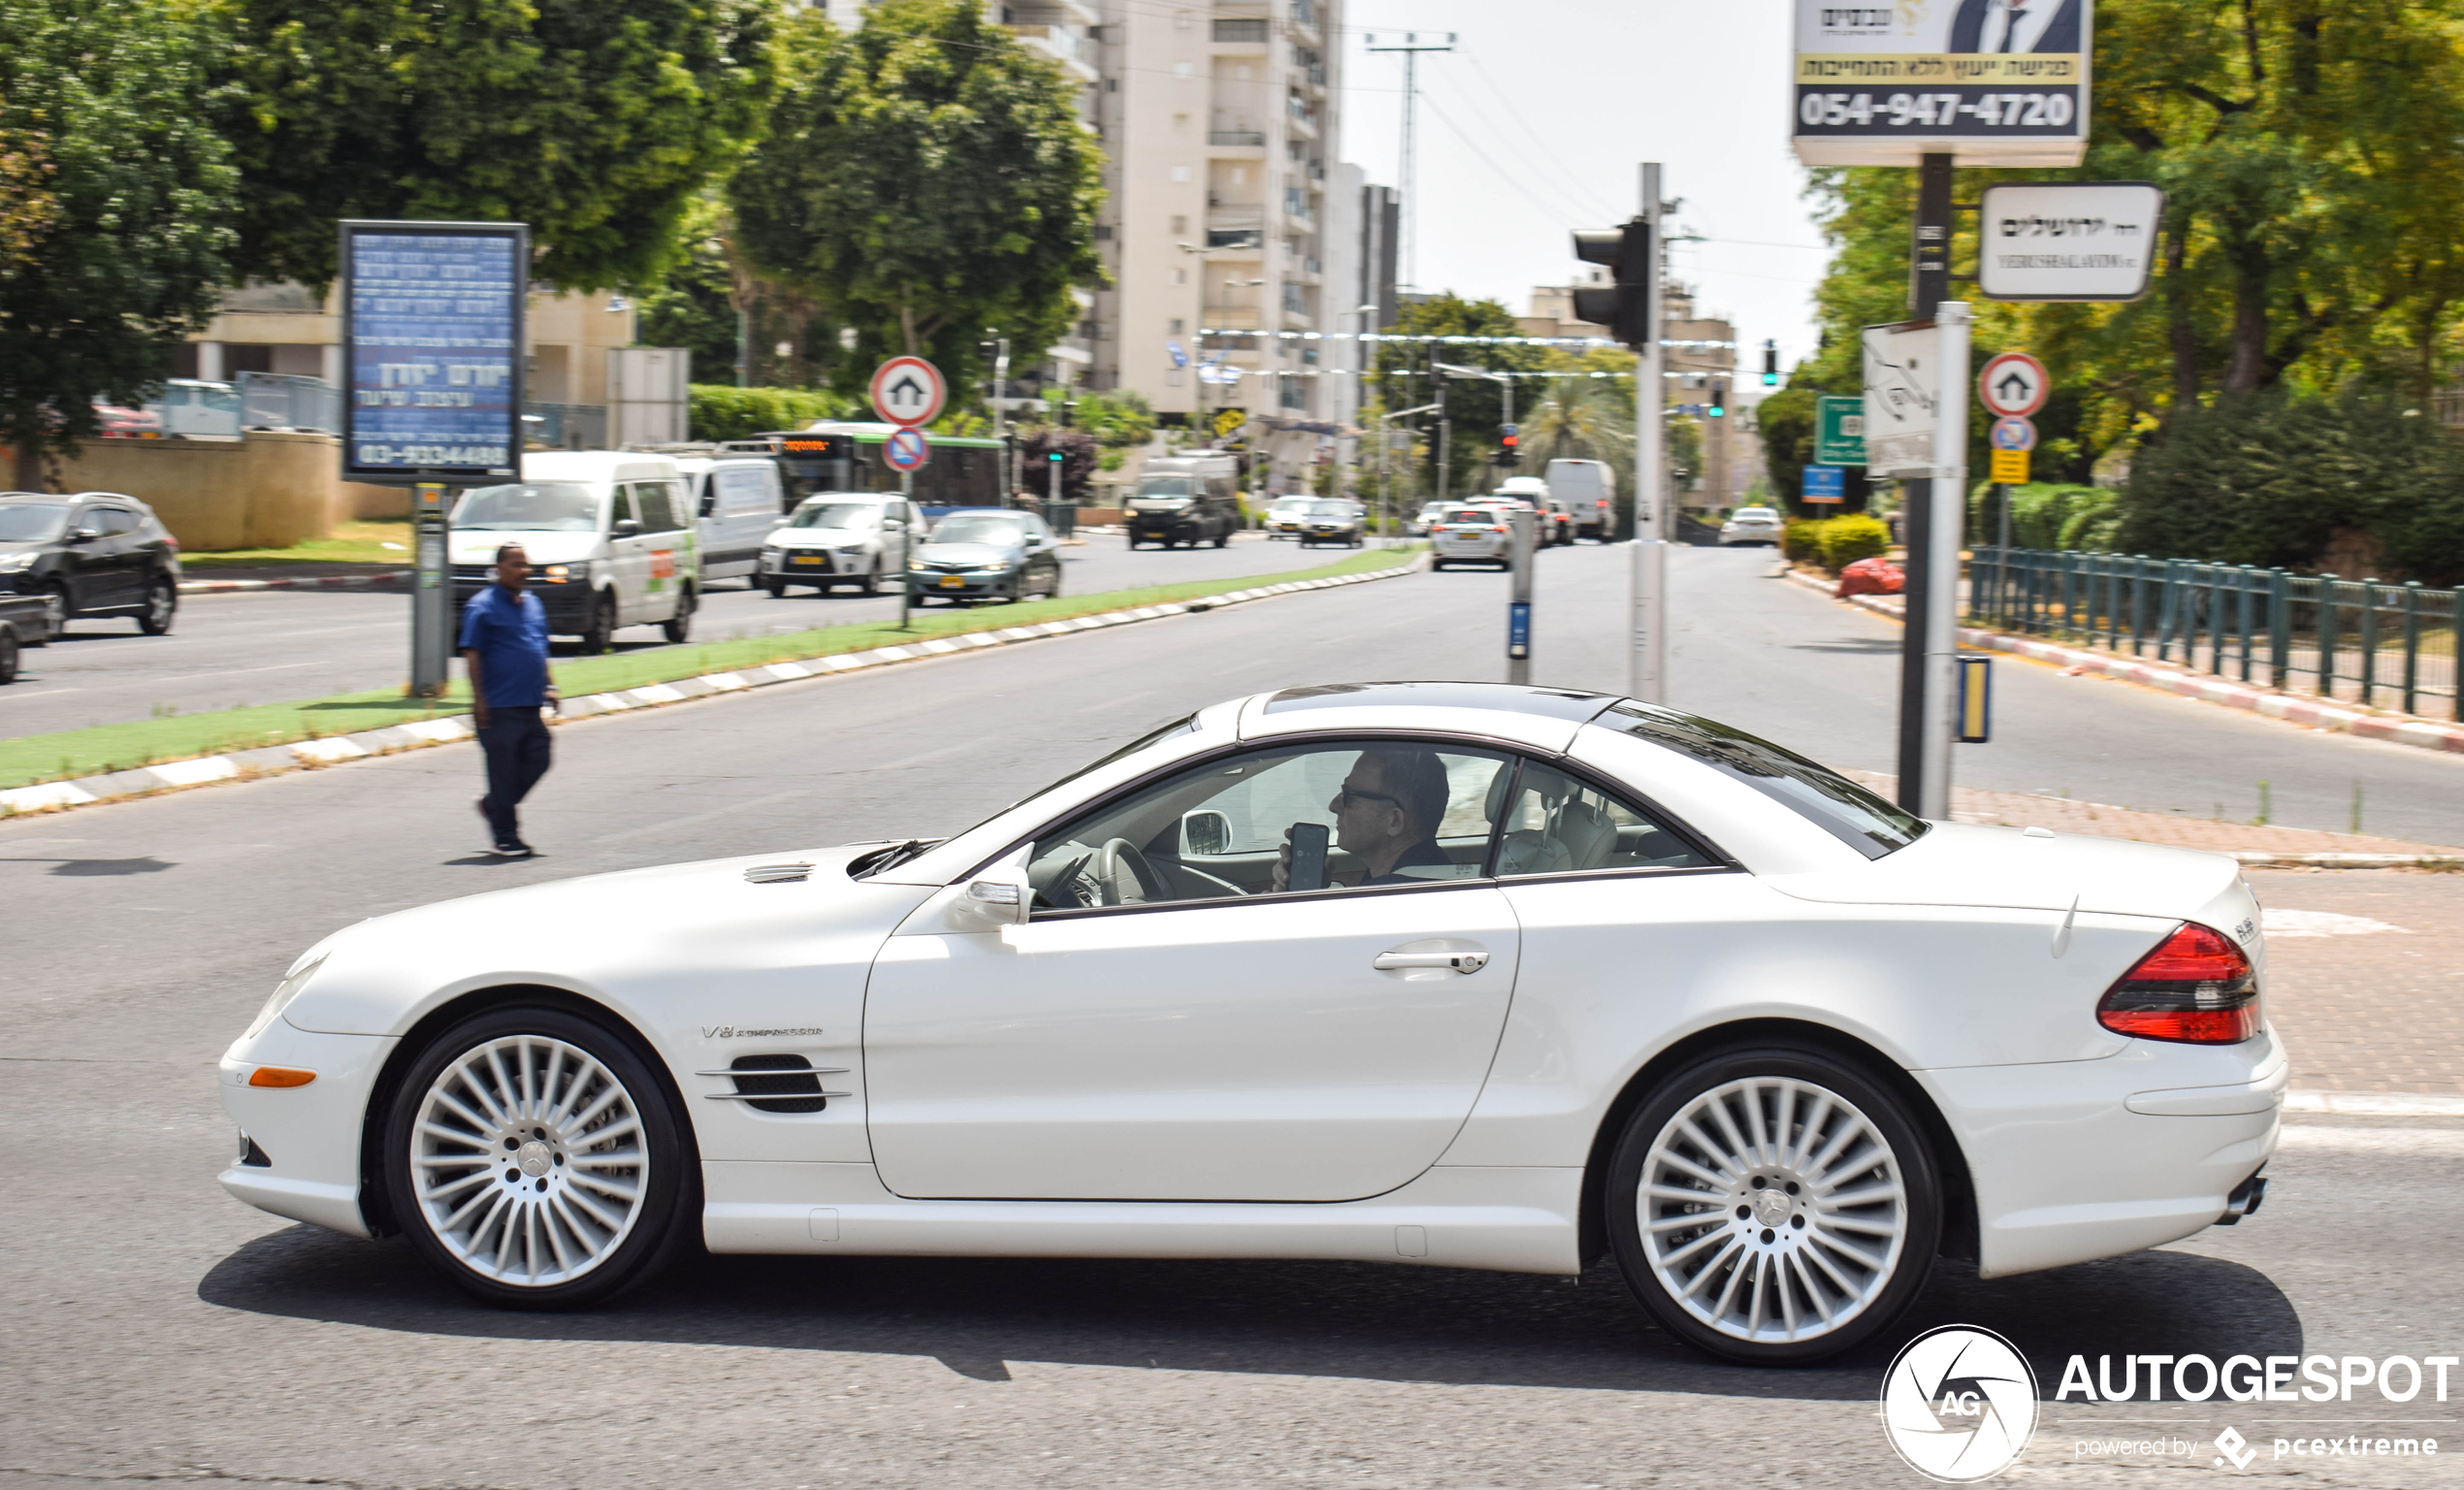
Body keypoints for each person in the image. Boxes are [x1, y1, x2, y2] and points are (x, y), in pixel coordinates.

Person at [459, 542, 559, 858]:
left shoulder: (533, 603)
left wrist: (550, 685)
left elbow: (538, 646)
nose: (523, 571)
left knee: (540, 757)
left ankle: (494, 805)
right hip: (498, 705)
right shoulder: (482, 606)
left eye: (526, 564)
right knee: (502, 773)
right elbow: (473, 653)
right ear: (499, 568)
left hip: (529, 702)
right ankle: (506, 837)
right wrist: (479, 700)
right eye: (516, 564)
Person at [1275, 748, 1454, 890]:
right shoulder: (1436, 875)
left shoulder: (1385, 899)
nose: (1333, 805)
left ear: (1394, 821)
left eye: (1349, 796)